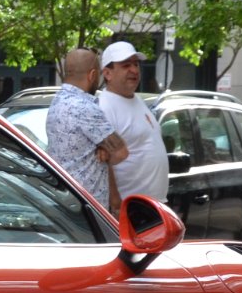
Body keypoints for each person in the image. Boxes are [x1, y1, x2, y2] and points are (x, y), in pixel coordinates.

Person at [44, 47, 126, 209]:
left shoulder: (57, 102)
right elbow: (121, 152)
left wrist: (101, 147)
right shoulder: (85, 108)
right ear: (92, 75)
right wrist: (105, 149)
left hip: (63, 200)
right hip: (86, 206)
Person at [94, 41, 168, 203]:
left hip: (153, 205)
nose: (134, 70)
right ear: (107, 73)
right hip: (129, 208)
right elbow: (103, 164)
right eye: (126, 65)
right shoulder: (104, 107)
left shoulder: (137, 100)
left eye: (136, 64)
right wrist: (115, 203)